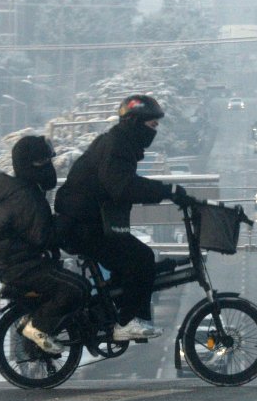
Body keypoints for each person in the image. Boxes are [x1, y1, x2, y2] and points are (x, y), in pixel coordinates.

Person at [54, 94, 194, 341]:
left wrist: (166, 192)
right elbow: (123, 186)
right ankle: (129, 322)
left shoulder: (119, 143)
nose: (154, 131)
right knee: (141, 259)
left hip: (88, 223)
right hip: (82, 226)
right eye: (152, 125)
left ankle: (108, 315)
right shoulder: (117, 147)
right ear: (135, 122)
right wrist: (168, 191)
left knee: (129, 268)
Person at [0, 135, 86, 354]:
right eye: (43, 162)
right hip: (21, 266)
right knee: (74, 290)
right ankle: (38, 327)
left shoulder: (25, 191)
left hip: (23, 262)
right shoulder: (24, 197)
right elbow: (43, 236)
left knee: (78, 285)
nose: (49, 167)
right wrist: (67, 218)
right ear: (29, 165)